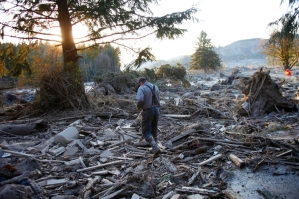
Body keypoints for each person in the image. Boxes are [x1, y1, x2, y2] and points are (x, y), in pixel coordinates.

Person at [136, 77, 161, 158]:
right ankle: (156, 146)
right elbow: (158, 100)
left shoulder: (141, 88)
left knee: (146, 131)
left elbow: (140, 99)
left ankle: (155, 147)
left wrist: (138, 107)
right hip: (156, 110)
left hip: (147, 110)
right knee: (154, 129)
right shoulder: (155, 87)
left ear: (141, 82)